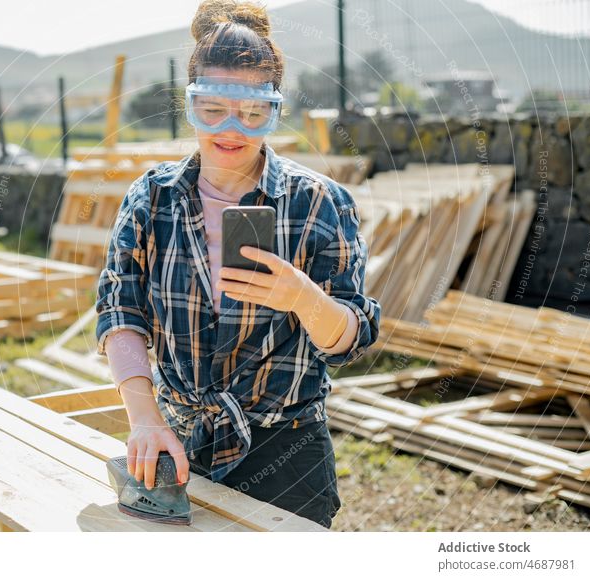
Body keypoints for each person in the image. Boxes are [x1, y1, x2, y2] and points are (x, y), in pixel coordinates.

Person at [94, 0, 381, 530]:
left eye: (253, 113)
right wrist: (143, 420)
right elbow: (120, 309)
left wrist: (304, 299)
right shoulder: (153, 198)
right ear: (189, 103)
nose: (232, 128)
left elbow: (353, 339)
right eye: (212, 108)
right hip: (175, 445)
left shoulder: (319, 202)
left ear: (274, 109)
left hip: (285, 456)